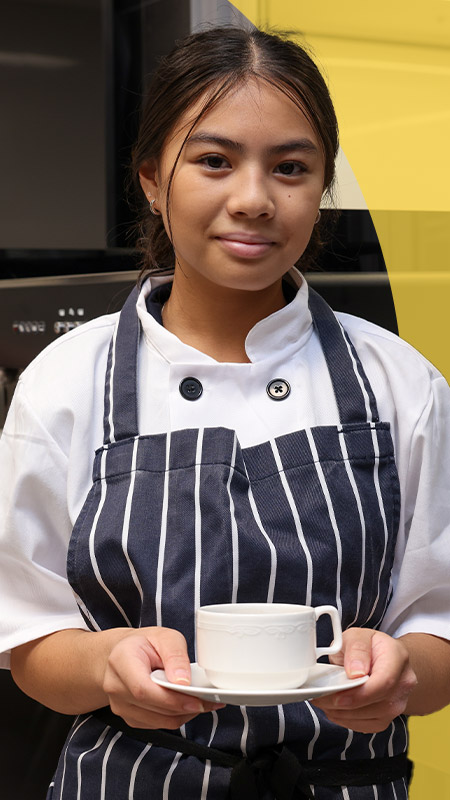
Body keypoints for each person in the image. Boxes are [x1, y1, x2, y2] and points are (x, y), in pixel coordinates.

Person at [1, 25, 450, 800]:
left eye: (291, 168)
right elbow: (28, 638)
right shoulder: (66, 383)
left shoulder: (401, 382)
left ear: (322, 186)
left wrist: (403, 672)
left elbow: (438, 628)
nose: (253, 199)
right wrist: (105, 667)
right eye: (214, 160)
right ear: (152, 179)